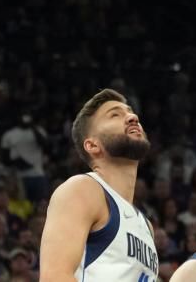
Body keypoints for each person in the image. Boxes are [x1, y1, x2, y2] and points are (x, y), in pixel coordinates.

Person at [38, 89, 157, 281]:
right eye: (115, 115)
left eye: (129, 112)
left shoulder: (146, 225)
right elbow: (54, 277)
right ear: (92, 145)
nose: (132, 117)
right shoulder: (83, 189)